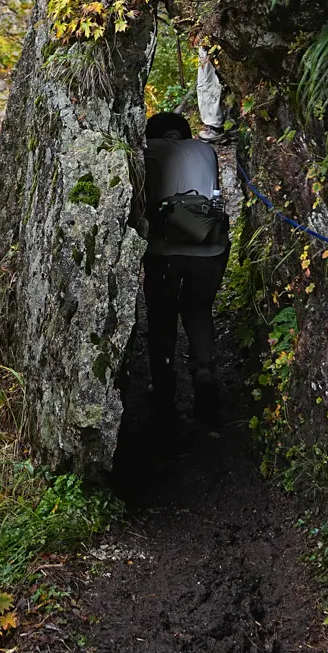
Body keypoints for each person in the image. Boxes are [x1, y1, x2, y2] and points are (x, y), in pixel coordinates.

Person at [138, 110, 228, 423]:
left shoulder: (147, 151)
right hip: (210, 245)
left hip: (164, 250)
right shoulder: (206, 150)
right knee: (198, 308)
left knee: (162, 314)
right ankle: (203, 373)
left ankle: (163, 389)